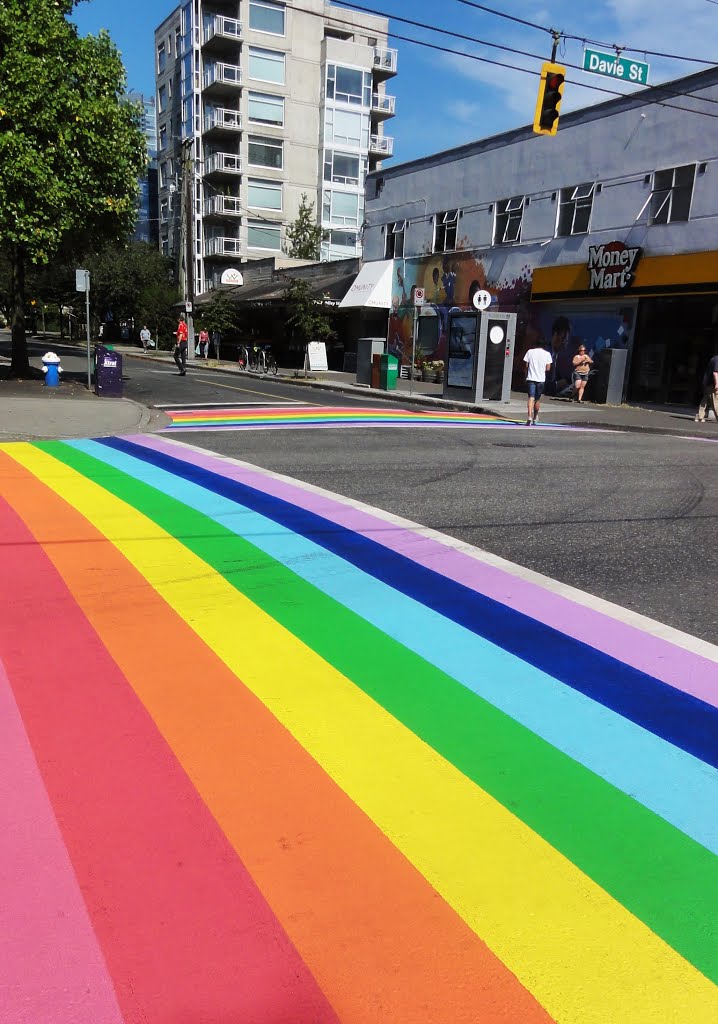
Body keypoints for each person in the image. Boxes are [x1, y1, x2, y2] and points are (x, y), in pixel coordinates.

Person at [523, 340, 553, 425]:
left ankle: (529, 416)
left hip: (531, 378)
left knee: (531, 397)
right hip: (541, 379)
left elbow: (526, 366)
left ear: (535, 344)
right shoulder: (547, 354)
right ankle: (535, 416)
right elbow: (548, 368)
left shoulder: (530, 352)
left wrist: (526, 376)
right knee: (537, 399)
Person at [695, 351, 718, 422]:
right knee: (716, 400)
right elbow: (715, 372)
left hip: (707, 383)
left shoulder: (714, 358)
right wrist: (717, 383)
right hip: (712, 383)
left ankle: (699, 416)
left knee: (705, 400)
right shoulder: (717, 359)